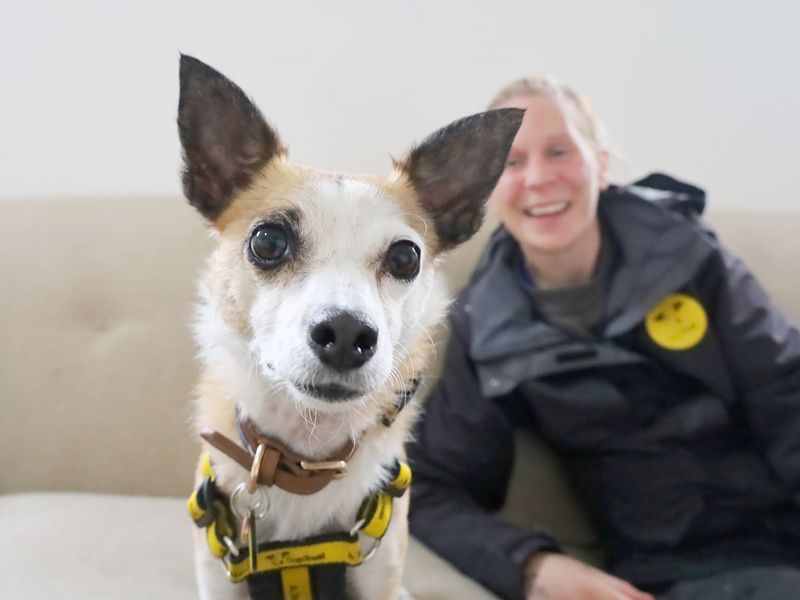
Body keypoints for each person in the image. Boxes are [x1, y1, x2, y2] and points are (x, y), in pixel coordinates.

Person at [407, 77, 800, 600]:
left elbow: (787, 392)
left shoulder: (692, 255)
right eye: (514, 161)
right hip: (679, 571)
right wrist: (535, 567)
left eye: (560, 151)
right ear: (487, 188)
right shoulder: (488, 329)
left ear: (602, 163)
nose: (539, 178)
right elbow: (430, 490)